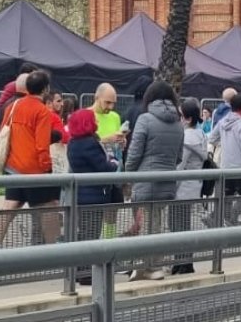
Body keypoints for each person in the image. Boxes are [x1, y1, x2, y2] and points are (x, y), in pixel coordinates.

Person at [124, 80, 184, 281]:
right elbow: (179, 157)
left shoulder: (145, 119)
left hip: (145, 179)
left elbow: (134, 153)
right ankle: (154, 265)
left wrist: (128, 174)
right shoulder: (178, 123)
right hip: (167, 181)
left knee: (146, 224)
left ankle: (146, 266)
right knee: (156, 223)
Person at [0, 70, 59, 247]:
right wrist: (47, 169)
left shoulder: (12, 106)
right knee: (49, 209)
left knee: (10, 205)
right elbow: (42, 145)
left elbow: (3, 131)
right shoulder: (42, 111)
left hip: (12, 167)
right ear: (45, 89)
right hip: (34, 170)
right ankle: (56, 250)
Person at [66, 108, 120, 285]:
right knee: (91, 233)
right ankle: (85, 272)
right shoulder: (89, 143)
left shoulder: (73, 143)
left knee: (84, 232)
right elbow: (103, 167)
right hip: (94, 194)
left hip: (81, 194)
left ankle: (79, 270)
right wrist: (114, 163)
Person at [206, 92, 241, 226]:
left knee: (227, 196)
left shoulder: (222, 122)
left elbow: (212, 138)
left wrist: (225, 143)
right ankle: (230, 220)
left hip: (226, 165)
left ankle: (218, 219)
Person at [170, 98, 208, 275]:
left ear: (188, 118)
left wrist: (171, 187)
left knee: (177, 226)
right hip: (194, 185)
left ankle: (181, 261)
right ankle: (185, 261)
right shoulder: (201, 135)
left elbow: (180, 166)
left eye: (181, 115)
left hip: (182, 188)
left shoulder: (186, 138)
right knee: (184, 224)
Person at [88, 82, 126, 239]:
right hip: (93, 173)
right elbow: (82, 144)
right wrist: (107, 139)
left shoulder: (115, 117)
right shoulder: (86, 115)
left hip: (113, 172)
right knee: (93, 217)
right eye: (107, 102)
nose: (110, 107)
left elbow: (117, 141)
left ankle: (109, 245)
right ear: (96, 98)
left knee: (112, 212)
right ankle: (92, 246)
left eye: (113, 103)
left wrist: (121, 142)